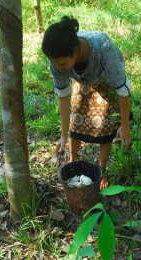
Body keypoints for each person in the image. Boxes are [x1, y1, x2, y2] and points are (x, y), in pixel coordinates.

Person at [42, 16, 132, 190]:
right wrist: (62, 135)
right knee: (76, 119)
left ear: (75, 52)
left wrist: (125, 124)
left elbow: (122, 91)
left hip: (106, 77)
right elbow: (63, 96)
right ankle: (72, 163)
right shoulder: (57, 61)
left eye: (62, 63)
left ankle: (101, 169)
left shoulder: (104, 50)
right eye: (55, 63)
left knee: (105, 123)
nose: (59, 67)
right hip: (82, 77)